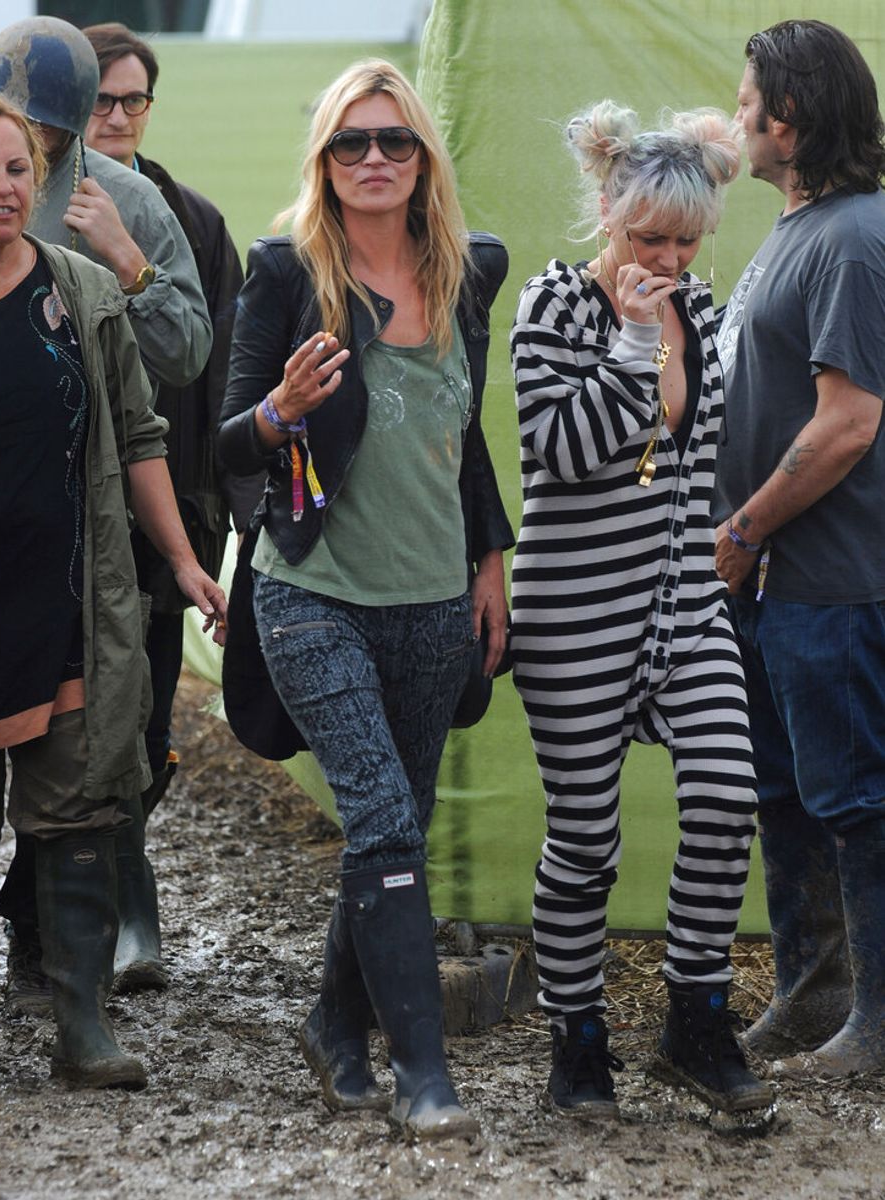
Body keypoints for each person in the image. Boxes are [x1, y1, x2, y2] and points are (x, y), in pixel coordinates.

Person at [217, 59, 513, 1140]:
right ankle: (425, 1078)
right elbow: (221, 447)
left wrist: (492, 561)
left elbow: (461, 434)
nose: (375, 159)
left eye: (395, 140)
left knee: (397, 824)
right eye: (353, 143)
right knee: (385, 816)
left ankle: (336, 1030)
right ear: (325, 160)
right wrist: (278, 412)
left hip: (436, 601)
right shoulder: (285, 271)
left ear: (423, 155)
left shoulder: (471, 271)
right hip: (312, 593)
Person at [511, 101, 771, 1118]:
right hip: (574, 613)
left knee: (721, 797)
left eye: (684, 239)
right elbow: (562, 454)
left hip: (683, 607)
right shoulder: (553, 305)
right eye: (647, 235)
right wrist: (626, 342)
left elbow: (695, 463)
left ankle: (695, 1022)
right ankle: (577, 1040)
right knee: (586, 839)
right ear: (606, 213)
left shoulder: (699, 314)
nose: (664, 255)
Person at [0, 92, 226, 1089]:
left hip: (70, 600)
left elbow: (138, 437)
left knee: (80, 812)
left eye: (10, 170)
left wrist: (179, 560)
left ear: (34, 181)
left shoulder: (81, 292)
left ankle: (81, 1025)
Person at [714, 19, 885, 1080]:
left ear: (793, 114)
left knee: (858, 800)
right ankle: (812, 993)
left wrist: (742, 527)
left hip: (832, 580)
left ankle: (876, 1027)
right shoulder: (799, 227)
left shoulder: (858, 238)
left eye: (746, 103)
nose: (735, 118)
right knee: (783, 790)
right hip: (775, 585)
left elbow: (849, 422)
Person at [82, 21, 264, 812]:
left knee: (145, 710)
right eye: (100, 100)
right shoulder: (16, 205)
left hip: (168, 504)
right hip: (59, 505)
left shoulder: (193, 219)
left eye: (134, 99)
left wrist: (231, 511)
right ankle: (48, 900)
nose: (119, 116)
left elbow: (223, 367)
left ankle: (119, 890)